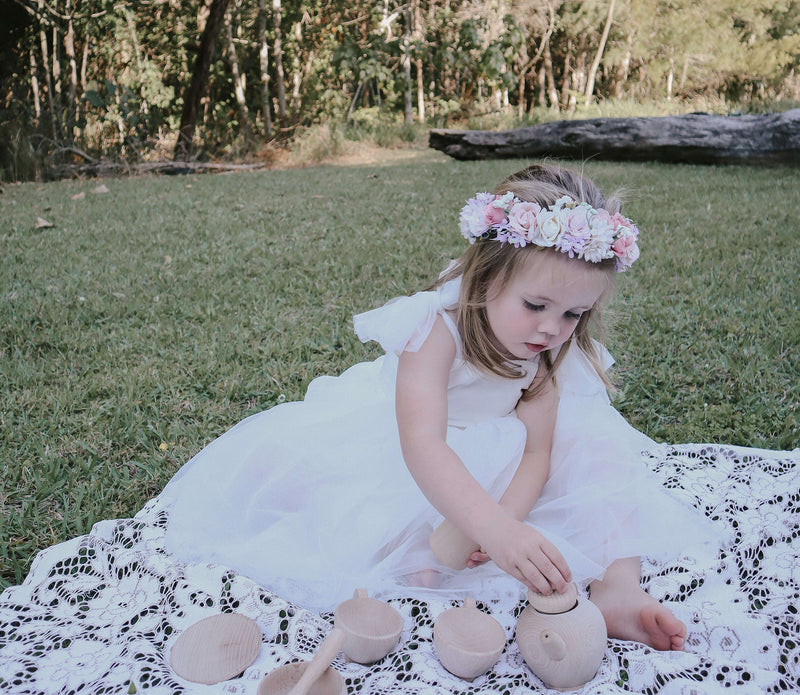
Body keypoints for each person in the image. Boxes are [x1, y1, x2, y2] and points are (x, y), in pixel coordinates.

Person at [160, 163, 711, 651]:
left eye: (573, 315)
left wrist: (505, 523)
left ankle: (618, 591)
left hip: (508, 453)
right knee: (324, 498)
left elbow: (539, 452)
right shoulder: (436, 331)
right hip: (419, 449)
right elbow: (422, 444)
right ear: (488, 276)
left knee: (601, 458)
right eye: (536, 305)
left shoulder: (546, 351)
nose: (552, 328)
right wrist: (488, 527)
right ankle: (419, 554)